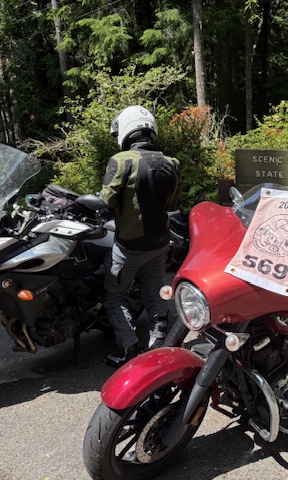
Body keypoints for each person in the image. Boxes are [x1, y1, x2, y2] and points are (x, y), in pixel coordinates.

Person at [100, 105, 182, 368]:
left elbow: (106, 200)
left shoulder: (120, 161)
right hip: (159, 242)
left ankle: (129, 349)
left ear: (126, 130)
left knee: (114, 295)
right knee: (154, 288)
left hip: (130, 245)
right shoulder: (172, 163)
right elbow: (172, 204)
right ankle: (158, 344)